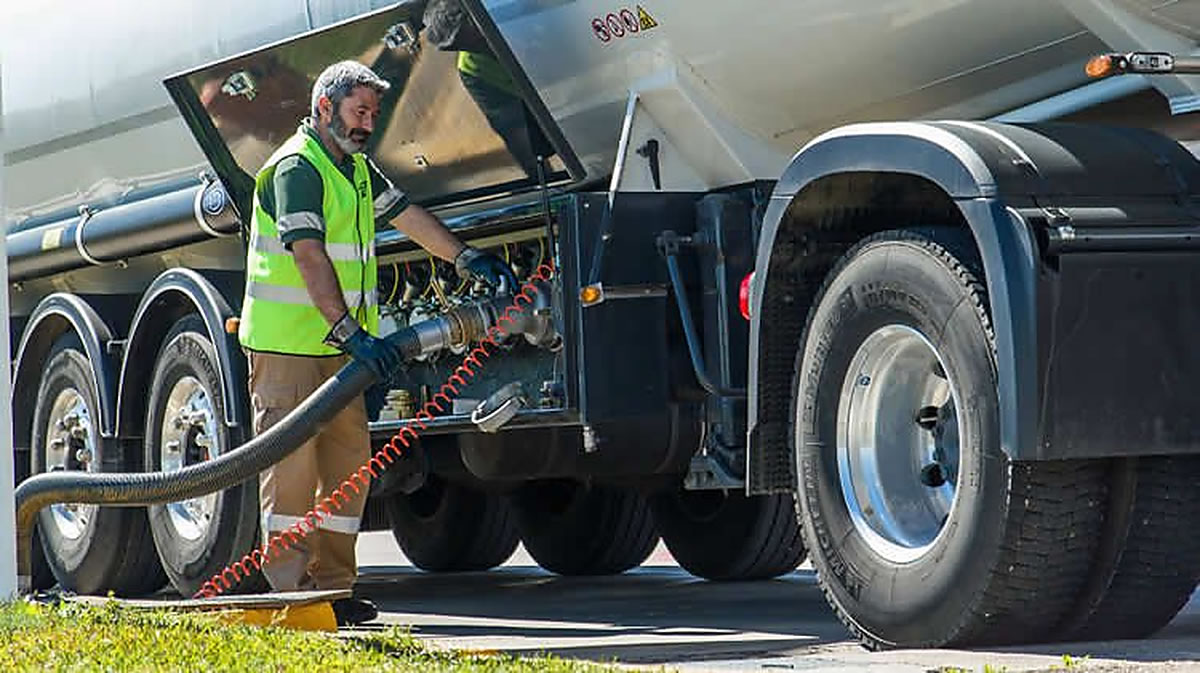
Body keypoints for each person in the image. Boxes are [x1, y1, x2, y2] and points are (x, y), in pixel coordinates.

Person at [237, 60, 517, 626]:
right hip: (289, 349)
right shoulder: (297, 169)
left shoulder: (358, 168)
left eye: (373, 113)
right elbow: (309, 256)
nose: (367, 123)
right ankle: (291, 598)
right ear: (324, 108)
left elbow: (407, 215)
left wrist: (465, 257)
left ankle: (335, 591)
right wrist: (350, 333)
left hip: (341, 351)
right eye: (358, 112)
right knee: (290, 474)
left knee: (348, 470)